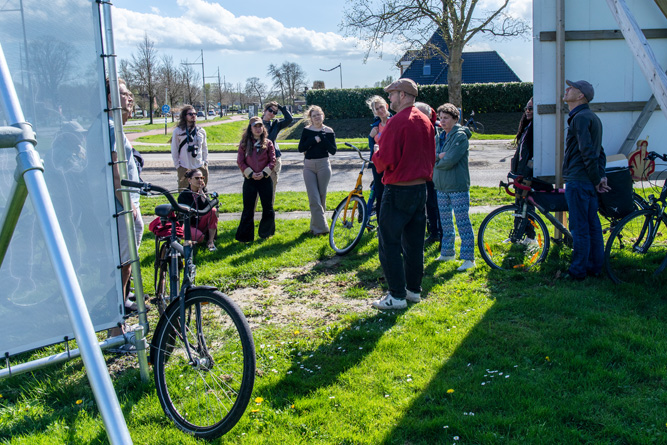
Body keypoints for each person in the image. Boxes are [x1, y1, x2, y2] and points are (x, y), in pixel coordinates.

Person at [370, 78, 435, 310]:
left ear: (404, 95)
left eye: (393, 93)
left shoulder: (398, 122)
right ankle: (413, 290)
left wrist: (376, 154)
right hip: (420, 189)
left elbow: (385, 159)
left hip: (398, 190)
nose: (389, 98)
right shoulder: (426, 120)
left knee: (389, 242)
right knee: (414, 244)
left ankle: (396, 296)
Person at [562, 79, 610, 280]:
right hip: (587, 181)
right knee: (592, 227)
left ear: (580, 95)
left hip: (579, 181)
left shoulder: (581, 118)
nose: (567, 90)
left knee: (579, 228)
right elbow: (600, 152)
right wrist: (598, 177)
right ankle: (595, 268)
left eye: (571, 88)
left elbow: (588, 151)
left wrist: (596, 177)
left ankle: (578, 272)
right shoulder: (591, 117)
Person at [106, 78, 144, 324]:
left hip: (125, 205)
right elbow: (115, 172)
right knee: (122, 266)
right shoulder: (110, 128)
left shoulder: (114, 127)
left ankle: (122, 305)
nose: (130, 97)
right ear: (109, 99)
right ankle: (115, 328)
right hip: (121, 208)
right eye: (124, 93)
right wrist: (129, 207)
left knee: (125, 265)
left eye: (130, 93)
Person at [433, 103, 475, 271]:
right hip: (441, 185)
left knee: (462, 222)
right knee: (445, 222)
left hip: (457, 185)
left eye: (446, 118)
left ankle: (469, 259)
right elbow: (433, 156)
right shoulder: (440, 136)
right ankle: (448, 252)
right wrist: (438, 156)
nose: (442, 121)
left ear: (456, 119)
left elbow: (450, 160)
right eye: (440, 118)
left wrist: (436, 160)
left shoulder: (460, 136)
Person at [235, 116, 276, 242]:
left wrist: (264, 173)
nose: (258, 129)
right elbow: (240, 161)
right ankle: (245, 236)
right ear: (250, 128)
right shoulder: (244, 143)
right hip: (250, 179)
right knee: (248, 208)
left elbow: (272, 160)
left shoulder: (268, 143)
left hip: (264, 178)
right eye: (255, 127)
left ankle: (266, 233)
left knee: (267, 206)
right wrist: (250, 173)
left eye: (260, 126)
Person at [298, 105, 337, 236]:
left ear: (323, 116)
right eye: (314, 115)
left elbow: (333, 150)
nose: (317, 117)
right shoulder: (306, 130)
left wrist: (324, 138)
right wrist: (314, 140)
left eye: (319, 115)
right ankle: (323, 229)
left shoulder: (329, 130)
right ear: (310, 117)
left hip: (323, 165)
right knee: (313, 198)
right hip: (309, 165)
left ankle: (315, 227)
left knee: (321, 197)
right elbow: (300, 147)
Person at [414, 101, 442, 245]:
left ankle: (440, 233)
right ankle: (433, 232)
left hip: (435, 171)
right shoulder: (416, 127)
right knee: (428, 203)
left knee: (435, 203)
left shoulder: (437, 128)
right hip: (423, 171)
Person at [178, 169, 218, 251]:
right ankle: (192, 238)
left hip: (200, 221)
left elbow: (208, 206)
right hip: (189, 224)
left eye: (202, 178)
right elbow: (183, 214)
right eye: (197, 178)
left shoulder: (204, 191)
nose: (200, 180)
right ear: (189, 180)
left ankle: (210, 241)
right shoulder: (184, 195)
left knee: (213, 211)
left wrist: (201, 192)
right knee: (200, 237)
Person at [261, 101, 293, 205]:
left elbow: (289, 119)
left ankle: (269, 215)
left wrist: (281, 107)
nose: (272, 113)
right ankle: (251, 217)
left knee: (271, 188)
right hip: (259, 159)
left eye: (275, 112)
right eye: (270, 110)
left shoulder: (276, 124)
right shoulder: (256, 124)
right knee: (256, 190)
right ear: (265, 110)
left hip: (274, 158)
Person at [171, 105, 209, 190]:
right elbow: (174, 149)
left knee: (202, 191)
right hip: (184, 166)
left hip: (199, 165)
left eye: (195, 114)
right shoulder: (178, 131)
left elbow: (204, 148)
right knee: (184, 193)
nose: (193, 116)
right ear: (185, 116)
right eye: (190, 114)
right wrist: (178, 166)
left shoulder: (201, 131)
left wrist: (205, 163)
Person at [365, 95, 390, 222]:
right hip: (377, 164)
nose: (380, 110)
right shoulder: (375, 126)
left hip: (391, 164)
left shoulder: (394, 122)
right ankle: (381, 223)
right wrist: (370, 137)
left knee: (391, 193)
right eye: (377, 109)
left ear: (387, 106)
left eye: (381, 107)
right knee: (379, 193)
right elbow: (371, 147)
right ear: (374, 111)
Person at [511, 97, 534, 178]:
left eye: (530, 109)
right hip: (521, 173)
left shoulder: (536, 129)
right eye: (526, 108)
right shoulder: (527, 127)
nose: (527, 111)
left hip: (528, 175)